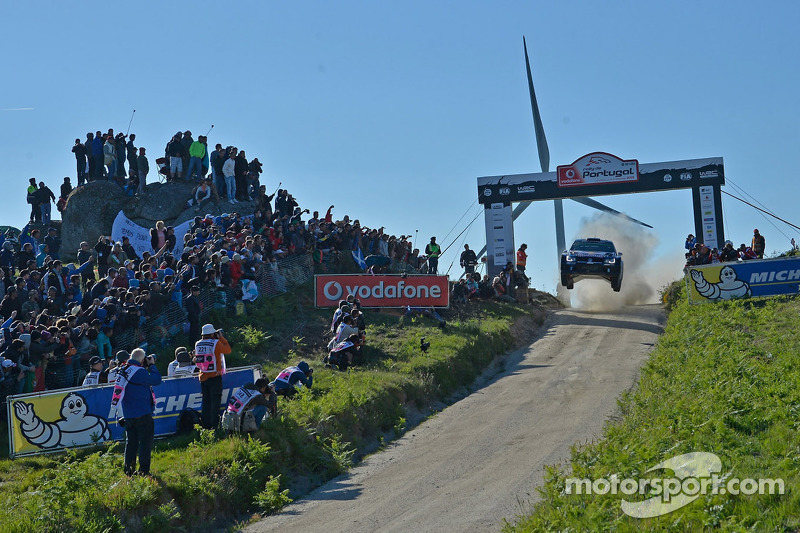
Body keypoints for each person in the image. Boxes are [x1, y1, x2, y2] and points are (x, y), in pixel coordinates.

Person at [110, 349, 162, 477]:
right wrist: (152, 365)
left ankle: (129, 471)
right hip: (142, 413)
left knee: (131, 443)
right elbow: (156, 380)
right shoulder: (138, 371)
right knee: (145, 442)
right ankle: (144, 471)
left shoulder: (124, 369)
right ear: (143, 359)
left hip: (128, 414)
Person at [194, 323, 232, 429]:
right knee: (215, 403)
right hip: (215, 377)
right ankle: (215, 426)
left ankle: (206, 426)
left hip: (203, 377)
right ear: (212, 334)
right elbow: (228, 350)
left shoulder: (198, 344)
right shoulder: (216, 343)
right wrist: (221, 337)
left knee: (206, 403)